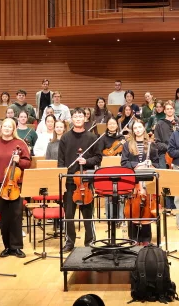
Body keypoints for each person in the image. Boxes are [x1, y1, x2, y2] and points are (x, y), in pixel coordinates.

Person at [0, 118, 32, 258]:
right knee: (4, 217)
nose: (6, 129)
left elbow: (27, 163)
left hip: (15, 183)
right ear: (0, 128)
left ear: (13, 129)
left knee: (16, 215)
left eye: (9, 127)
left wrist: (19, 161)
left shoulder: (20, 143)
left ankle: (16, 247)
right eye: (4, 126)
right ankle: (7, 246)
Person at [59, 108, 102, 252]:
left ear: (85, 118)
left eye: (80, 116)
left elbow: (98, 157)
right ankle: (70, 242)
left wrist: (87, 161)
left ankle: (90, 241)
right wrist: (63, 178)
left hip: (86, 180)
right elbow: (61, 161)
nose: (77, 119)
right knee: (69, 214)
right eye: (75, 116)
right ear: (71, 119)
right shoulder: (65, 138)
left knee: (88, 214)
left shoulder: (91, 137)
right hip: (70, 181)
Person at [121, 119, 161, 245]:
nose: (138, 130)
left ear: (144, 128)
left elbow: (157, 163)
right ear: (133, 130)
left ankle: (146, 238)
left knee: (147, 208)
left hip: (146, 182)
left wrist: (150, 164)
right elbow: (124, 163)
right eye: (135, 128)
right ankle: (133, 238)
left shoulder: (151, 145)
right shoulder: (127, 145)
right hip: (133, 182)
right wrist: (138, 164)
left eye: (140, 127)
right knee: (133, 208)